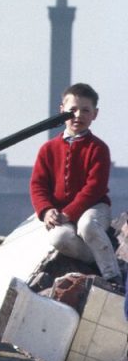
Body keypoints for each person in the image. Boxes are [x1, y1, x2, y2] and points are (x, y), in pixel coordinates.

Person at [30, 83, 121, 288]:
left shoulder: (98, 148)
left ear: (95, 114)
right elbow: (38, 185)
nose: (78, 115)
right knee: (59, 238)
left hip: (94, 208)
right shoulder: (48, 149)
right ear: (61, 110)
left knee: (87, 226)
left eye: (85, 110)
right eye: (72, 110)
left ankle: (112, 275)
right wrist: (46, 211)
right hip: (61, 213)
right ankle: (99, 257)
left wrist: (70, 213)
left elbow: (95, 187)